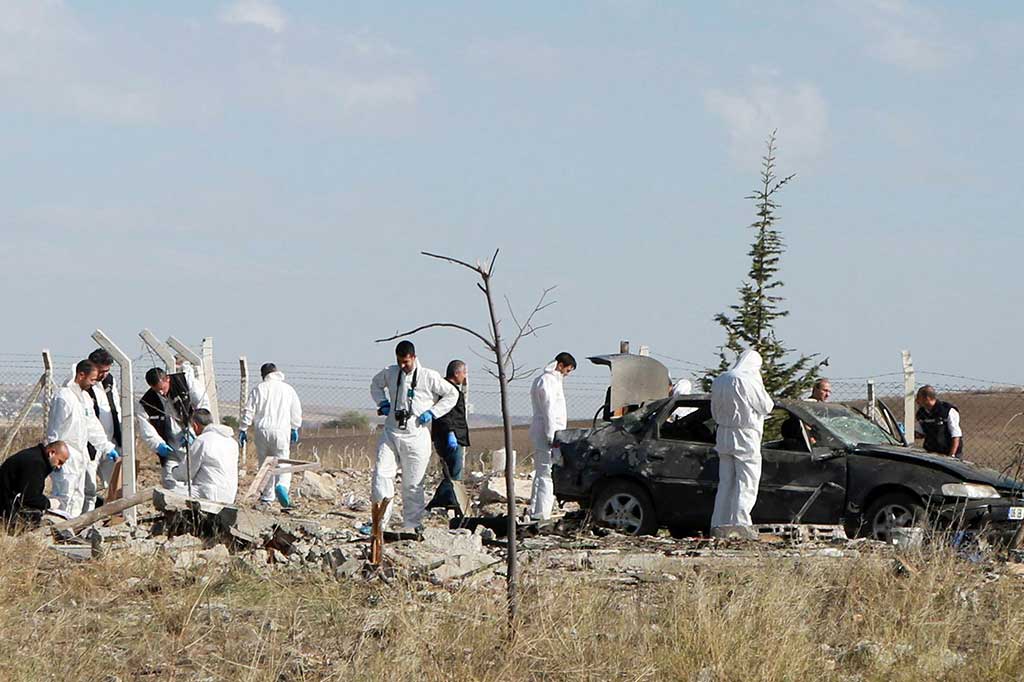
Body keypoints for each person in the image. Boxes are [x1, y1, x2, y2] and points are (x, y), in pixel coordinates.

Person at [369, 341, 458, 531]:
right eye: (399, 361)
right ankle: (380, 522)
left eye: (406, 362)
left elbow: (452, 394)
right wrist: (383, 403)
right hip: (392, 432)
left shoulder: (428, 376)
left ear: (414, 358)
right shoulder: (391, 372)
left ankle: (412, 525)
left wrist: (433, 412)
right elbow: (375, 385)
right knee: (381, 475)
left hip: (417, 435)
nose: (403, 366)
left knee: (413, 484)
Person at [710, 349, 774, 536]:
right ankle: (741, 523)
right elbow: (766, 406)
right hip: (746, 435)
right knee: (747, 481)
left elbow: (714, 411)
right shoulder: (748, 379)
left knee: (726, 483)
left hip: (723, 433)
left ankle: (719, 524)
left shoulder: (720, 380)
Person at [46, 360, 120, 517]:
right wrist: (54, 457)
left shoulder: (84, 398)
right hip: (64, 455)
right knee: (64, 494)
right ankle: (59, 527)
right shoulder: (63, 397)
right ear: (81, 375)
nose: (94, 384)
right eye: (92, 380)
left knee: (78, 495)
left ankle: (72, 529)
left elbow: (92, 426)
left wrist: (106, 446)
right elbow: (54, 430)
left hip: (80, 453)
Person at [239, 363, 303, 508]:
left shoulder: (259, 388)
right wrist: (295, 427)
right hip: (281, 430)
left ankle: (267, 497)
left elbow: (249, 410)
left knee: (265, 464)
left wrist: (243, 428)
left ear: (263, 375)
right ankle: (282, 486)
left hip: (262, 430)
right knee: (283, 461)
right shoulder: (288, 389)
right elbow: (296, 410)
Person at [137, 367, 209, 491]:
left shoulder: (184, 382)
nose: (161, 393)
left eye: (162, 388)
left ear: (168, 379)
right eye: (156, 390)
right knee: (171, 484)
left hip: (193, 445)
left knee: (198, 481)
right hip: (171, 450)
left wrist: (193, 428)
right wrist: (158, 445)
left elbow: (203, 404)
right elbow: (146, 430)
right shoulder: (146, 403)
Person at [529, 352, 576, 521]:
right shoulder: (548, 381)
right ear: (560, 365)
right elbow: (549, 409)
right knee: (546, 473)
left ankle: (536, 509)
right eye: (567, 370)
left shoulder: (549, 380)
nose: (567, 374)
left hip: (547, 430)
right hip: (547, 431)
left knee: (542, 472)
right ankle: (541, 513)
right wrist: (552, 434)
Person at [427, 360, 470, 510]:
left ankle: (447, 502)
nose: (465, 377)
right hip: (450, 437)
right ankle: (443, 503)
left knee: (450, 473)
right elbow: (446, 414)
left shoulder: (444, 389)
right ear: (457, 373)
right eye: (464, 373)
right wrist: (451, 433)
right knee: (454, 475)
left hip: (447, 436)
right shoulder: (448, 391)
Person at [172, 409, 238, 504]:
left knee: (172, 492)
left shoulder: (202, 440)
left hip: (209, 494)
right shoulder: (232, 442)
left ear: (195, 425)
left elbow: (186, 473)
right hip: (229, 496)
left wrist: (174, 471)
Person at [84, 348, 122, 507]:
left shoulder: (109, 382)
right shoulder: (82, 384)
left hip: (110, 443)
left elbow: (116, 409)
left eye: (107, 371)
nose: (104, 375)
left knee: (115, 487)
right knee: (88, 489)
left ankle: (113, 519)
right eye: (101, 371)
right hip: (90, 446)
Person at [0, 441, 69, 522]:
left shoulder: (35, 455)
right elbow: (29, 498)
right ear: (52, 453)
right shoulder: (36, 463)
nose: (58, 466)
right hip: (4, 507)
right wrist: (49, 503)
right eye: (59, 462)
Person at [915, 385, 963, 458]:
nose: (916, 401)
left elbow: (956, 435)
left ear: (927, 398)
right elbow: (921, 433)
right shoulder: (921, 413)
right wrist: (907, 433)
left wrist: (951, 456)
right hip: (931, 453)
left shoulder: (947, 411)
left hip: (948, 452)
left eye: (918, 398)